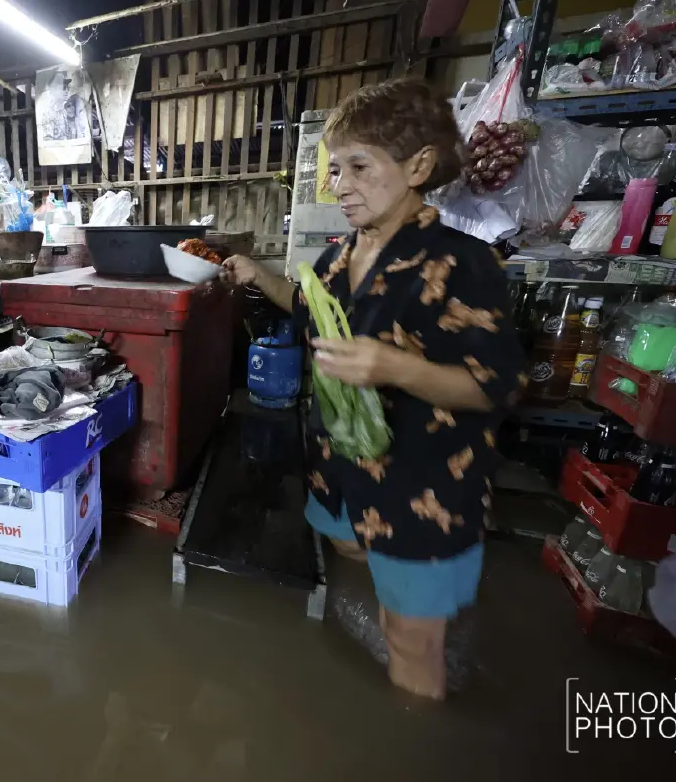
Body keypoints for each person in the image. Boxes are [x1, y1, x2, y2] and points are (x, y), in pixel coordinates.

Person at [222, 79, 525, 700]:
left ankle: (412, 727)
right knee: (347, 548)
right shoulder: (339, 257)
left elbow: (495, 389)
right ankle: (387, 597)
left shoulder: (462, 263)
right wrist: (260, 277)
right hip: (342, 464)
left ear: (417, 166)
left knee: (413, 649)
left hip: (423, 483)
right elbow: (309, 310)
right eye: (335, 169)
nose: (339, 185)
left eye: (359, 167)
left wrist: (391, 366)